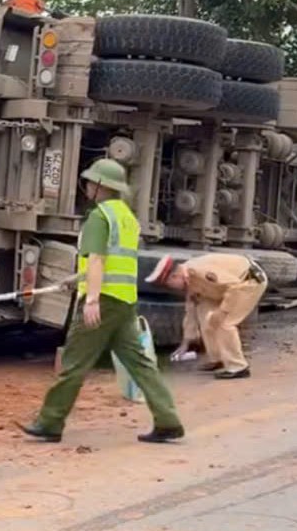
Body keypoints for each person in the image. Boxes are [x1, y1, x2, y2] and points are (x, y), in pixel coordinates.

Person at [19, 158, 185, 444]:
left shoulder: (99, 217)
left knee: (74, 362)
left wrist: (91, 299)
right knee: (140, 363)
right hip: (123, 301)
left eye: (90, 182)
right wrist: (77, 278)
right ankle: (168, 419)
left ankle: (50, 421)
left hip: (103, 301)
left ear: (99, 186)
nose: (87, 187)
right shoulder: (126, 217)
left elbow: (97, 259)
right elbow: (114, 261)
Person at [145, 253, 268, 379]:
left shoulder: (201, 272)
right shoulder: (188, 278)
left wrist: (223, 311)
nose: (172, 289)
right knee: (205, 315)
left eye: (168, 284)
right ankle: (218, 359)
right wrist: (187, 341)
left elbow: (234, 287)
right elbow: (191, 310)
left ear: (175, 276)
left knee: (224, 323)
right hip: (222, 288)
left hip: (248, 282)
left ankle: (238, 367)